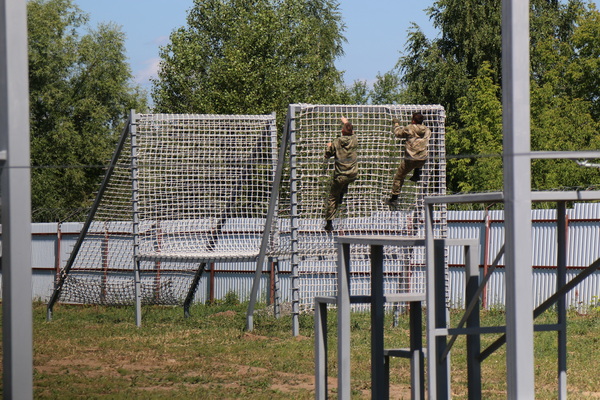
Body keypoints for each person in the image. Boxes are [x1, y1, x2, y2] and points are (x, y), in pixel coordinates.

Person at [386, 112, 431, 207]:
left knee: (399, 177)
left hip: (410, 160)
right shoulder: (427, 130)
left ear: (413, 120)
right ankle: (416, 174)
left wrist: (396, 124)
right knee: (418, 159)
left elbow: (398, 133)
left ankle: (394, 198)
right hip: (423, 159)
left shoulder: (410, 128)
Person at [323, 116, 358, 231]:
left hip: (341, 176)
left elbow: (327, 155)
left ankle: (329, 223)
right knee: (345, 183)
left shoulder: (336, 142)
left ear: (342, 131)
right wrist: (347, 122)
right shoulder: (354, 139)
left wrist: (328, 147)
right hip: (352, 174)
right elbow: (351, 131)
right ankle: (341, 196)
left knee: (332, 198)